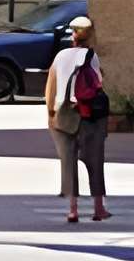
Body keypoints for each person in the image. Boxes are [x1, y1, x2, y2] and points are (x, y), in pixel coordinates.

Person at [45, 12, 111, 226]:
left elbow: (51, 87)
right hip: (87, 114)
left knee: (68, 162)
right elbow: (97, 84)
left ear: (72, 36)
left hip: (63, 115)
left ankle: (72, 209)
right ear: (89, 36)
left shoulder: (60, 56)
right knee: (94, 161)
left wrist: (50, 114)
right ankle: (98, 208)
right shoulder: (92, 57)